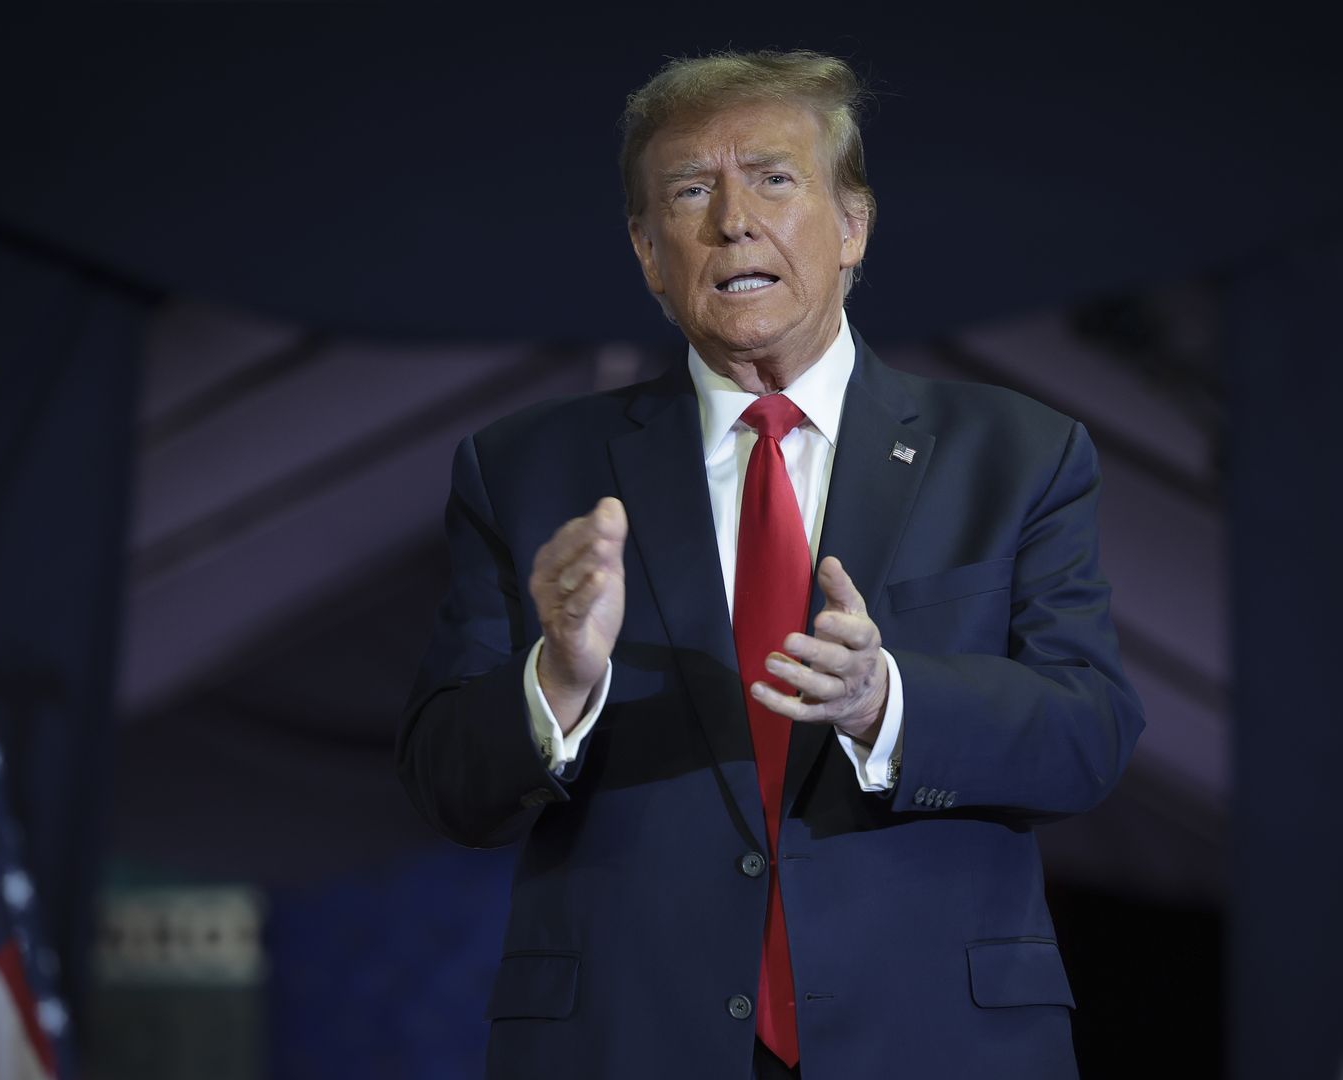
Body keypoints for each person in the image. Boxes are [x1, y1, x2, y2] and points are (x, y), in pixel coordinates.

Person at [398, 50, 1144, 1080]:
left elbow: (1089, 733)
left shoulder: (1019, 457)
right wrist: (557, 682)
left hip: (932, 1040)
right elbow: (446, 782)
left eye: (774, 178)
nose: (733, 220)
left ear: (853, 227)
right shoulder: (527, 470)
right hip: (625, 1042)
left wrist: (889, 701)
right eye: (690, 192)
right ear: (648, 251)